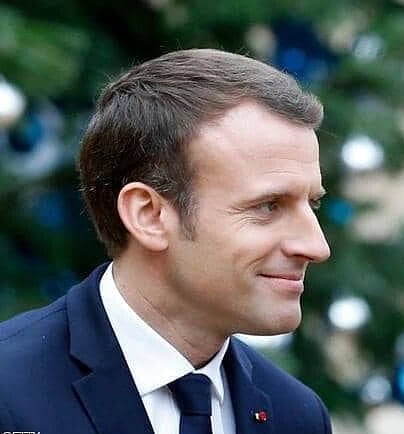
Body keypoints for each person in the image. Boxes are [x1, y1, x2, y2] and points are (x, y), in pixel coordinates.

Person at [0, 49, 332, 434]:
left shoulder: (298, 415)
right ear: (149, 215)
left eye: (312, 204)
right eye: (269, 206)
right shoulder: (10, 391)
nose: (316, 247)